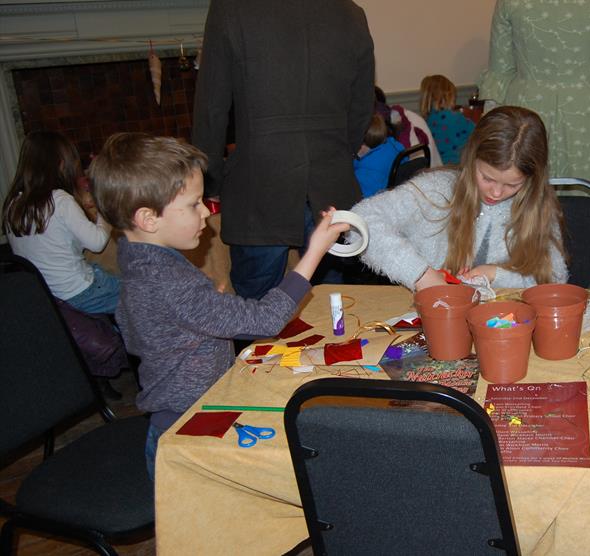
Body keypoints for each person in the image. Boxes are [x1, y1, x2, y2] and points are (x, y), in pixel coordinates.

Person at [88, 133, 349, 480]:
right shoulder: (167, 280)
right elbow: (267, 319)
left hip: (189, 414)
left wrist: (203, 306)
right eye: (194, 204)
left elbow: (145, 325)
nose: (206, 213)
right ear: (149, 219)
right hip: (189, 430)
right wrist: (314, 250)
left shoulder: (139, 261)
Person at [191, 0, 374, 299]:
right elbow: (361, 107)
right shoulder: (350, 13)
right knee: (333, 304)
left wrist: (208, 179)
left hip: (260, 184)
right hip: (331, 183)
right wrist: (337, 154)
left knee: (259, 311)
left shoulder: (231, 8)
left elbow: (212, 106)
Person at [478, 0, 590, 289]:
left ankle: (519, 285)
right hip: (587, 114)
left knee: (520, 199)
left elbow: (500, 69)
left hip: (527, 110)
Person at [350, 106, 567, 290]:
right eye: (487, 178)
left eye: (512, 184)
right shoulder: (438, 189)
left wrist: (494, 274)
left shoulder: (537, 206)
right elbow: (361, 221)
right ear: (472, 158)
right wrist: (420, 274)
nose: (496, 192)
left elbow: (554, 280)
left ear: (531, 180)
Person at [2, 131, 119, 314]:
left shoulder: (13, 204)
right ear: (61, 164)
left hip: (48, 295)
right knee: (141, 292)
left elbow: (57, 244)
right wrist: (103, 205)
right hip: (81, 292)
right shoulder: (59, 200)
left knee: (101, 271)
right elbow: (97, 243)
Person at [419, 75, 475, 165]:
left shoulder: (425, 121)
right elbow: (478, 132)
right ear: (449, 96)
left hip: (436, 168)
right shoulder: (457, 118)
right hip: (459, 168)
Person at [354, 114, 405, 198]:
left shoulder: (366, 173)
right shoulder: (394, 145)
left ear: (360, 145)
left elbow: (361, 202)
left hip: (375, 202)